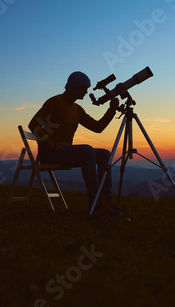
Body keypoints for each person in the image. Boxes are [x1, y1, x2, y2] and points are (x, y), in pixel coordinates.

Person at [28, 71, 123, 215]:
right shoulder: (55, 102)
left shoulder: (77, 109)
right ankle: (96, 203)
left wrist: (111, 110)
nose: (86, 91)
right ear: (75, 87)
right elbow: (33, 124)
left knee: (104, 154)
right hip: (50, 153)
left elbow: (97, 128)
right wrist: (52, 145)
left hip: (66, 153)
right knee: (87, 150)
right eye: (84, 88)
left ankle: (106, 200)